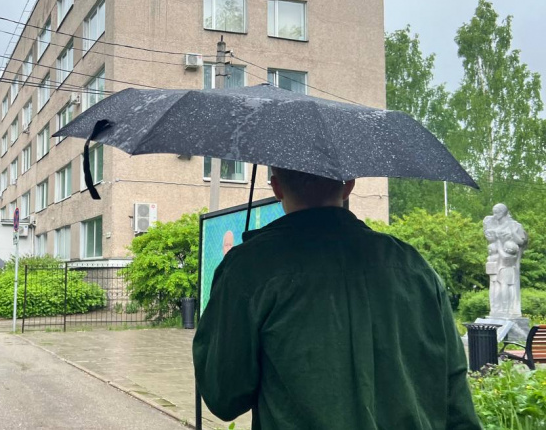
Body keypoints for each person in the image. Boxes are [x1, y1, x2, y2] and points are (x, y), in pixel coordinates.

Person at [193, 167, 480, 430]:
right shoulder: (416, 268)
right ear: (349, 185)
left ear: (277, 187)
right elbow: (456, 402)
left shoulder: (248, 269)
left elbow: (224, 396)